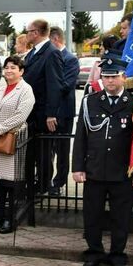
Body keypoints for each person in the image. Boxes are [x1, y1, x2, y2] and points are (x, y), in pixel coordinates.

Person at [72, 57, 133, 266]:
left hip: (123, 172)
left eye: (113, 77)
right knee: (92, 216)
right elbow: (81, 136)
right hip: (94, 170)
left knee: (120, 218)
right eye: (106, 76)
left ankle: (117, 256)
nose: (109, 81)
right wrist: (77, 167)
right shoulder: (90, 101)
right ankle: (94, 254)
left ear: (123, 77)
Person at [0, 56, 35, 234]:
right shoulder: (0, 88)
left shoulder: (25, 90)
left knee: (10, 182)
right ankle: (0, 216)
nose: (9, 70)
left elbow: (21, 116)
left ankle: (10, 219)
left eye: (13, 67)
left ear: (21, 71)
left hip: (12, 138)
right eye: (7, 67)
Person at [23, 19, 64, 193]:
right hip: (30, 111)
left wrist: (51, 114)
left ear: (36, 33)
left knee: (43, 153)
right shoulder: (33, 52)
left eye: (28, 31)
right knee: (32, 152)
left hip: (42, 113)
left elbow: (55, 85)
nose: (26, 34)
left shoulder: (51, 53)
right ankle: (32, 185)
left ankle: (42, 186)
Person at [48, 27, 79, 196]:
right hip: (48, 113)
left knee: (62, 150)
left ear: (56, 39)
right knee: (47, 150)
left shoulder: (71, 59)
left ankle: (59, 183)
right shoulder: (49, 57)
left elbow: (66, 85)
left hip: (63, 113)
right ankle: (45, 181)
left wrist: (48, 90)